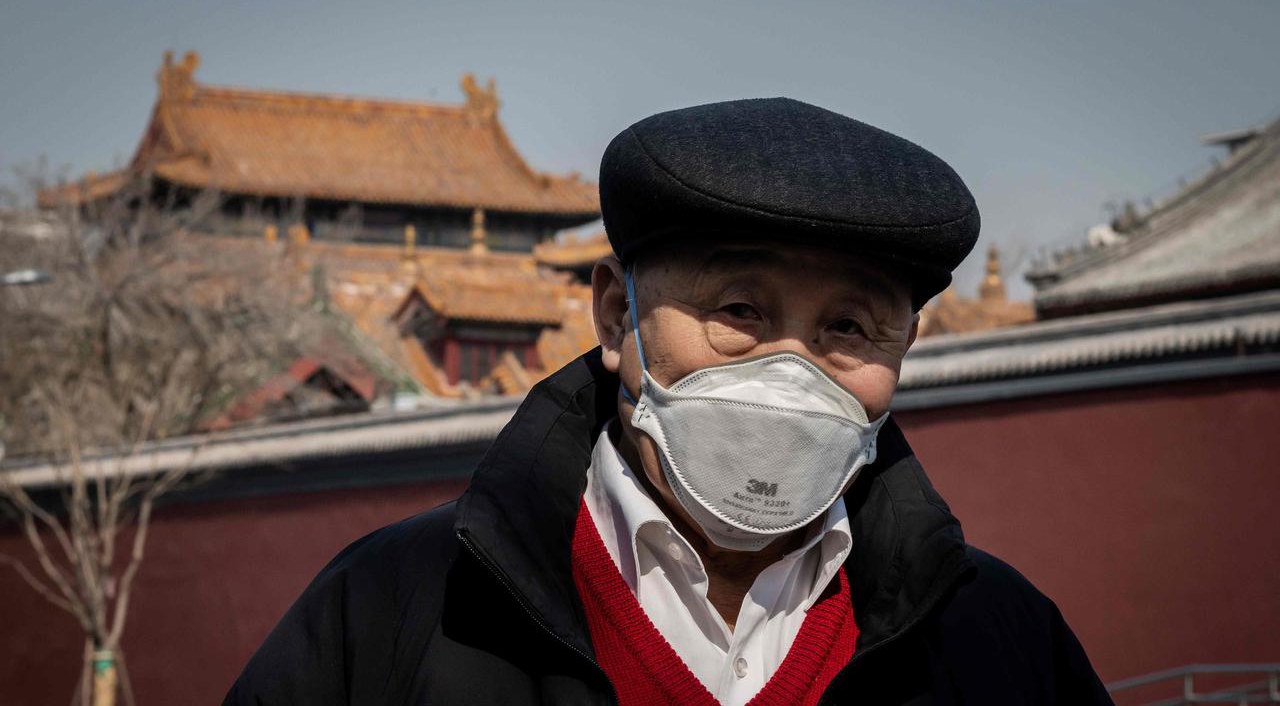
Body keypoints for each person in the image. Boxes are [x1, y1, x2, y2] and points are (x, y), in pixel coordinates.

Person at [226, 98, 1113, 705]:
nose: (790, 369)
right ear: (618, 314)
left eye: (848, 328)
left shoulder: (996, 641)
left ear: (904, 351)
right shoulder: (401, 609)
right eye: (738, 312)